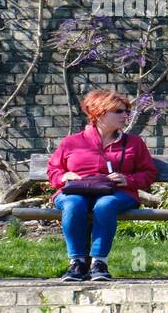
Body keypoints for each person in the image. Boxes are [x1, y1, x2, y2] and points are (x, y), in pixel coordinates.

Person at [46, 89, 159, 282]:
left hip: (117, 193)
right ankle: (77, 263)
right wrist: (65, 176)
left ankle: (99, 262)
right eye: (119, 111)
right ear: (99, 113)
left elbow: (148, 173)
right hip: (76, 191)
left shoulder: (133, 143)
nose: (125, 116)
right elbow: (52, 170)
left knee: (105, 205)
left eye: (126, 111)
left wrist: (127, 180)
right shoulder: (72, 142)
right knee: (73, 204)